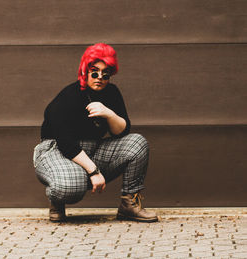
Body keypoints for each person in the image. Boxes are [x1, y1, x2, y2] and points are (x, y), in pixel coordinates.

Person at [33, 43, 158, 223]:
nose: (99, 77)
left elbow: (121, 132)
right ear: (85, 70)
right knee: (71, 186)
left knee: (137, 143)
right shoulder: (69, 96)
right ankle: (57, 199)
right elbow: (66, 142)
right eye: (94, 72)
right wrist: (93, 172)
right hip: (57, 150)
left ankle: (129, 204)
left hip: (93, 149)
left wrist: (109, 113)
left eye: (105, 74)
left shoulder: (112, 93)